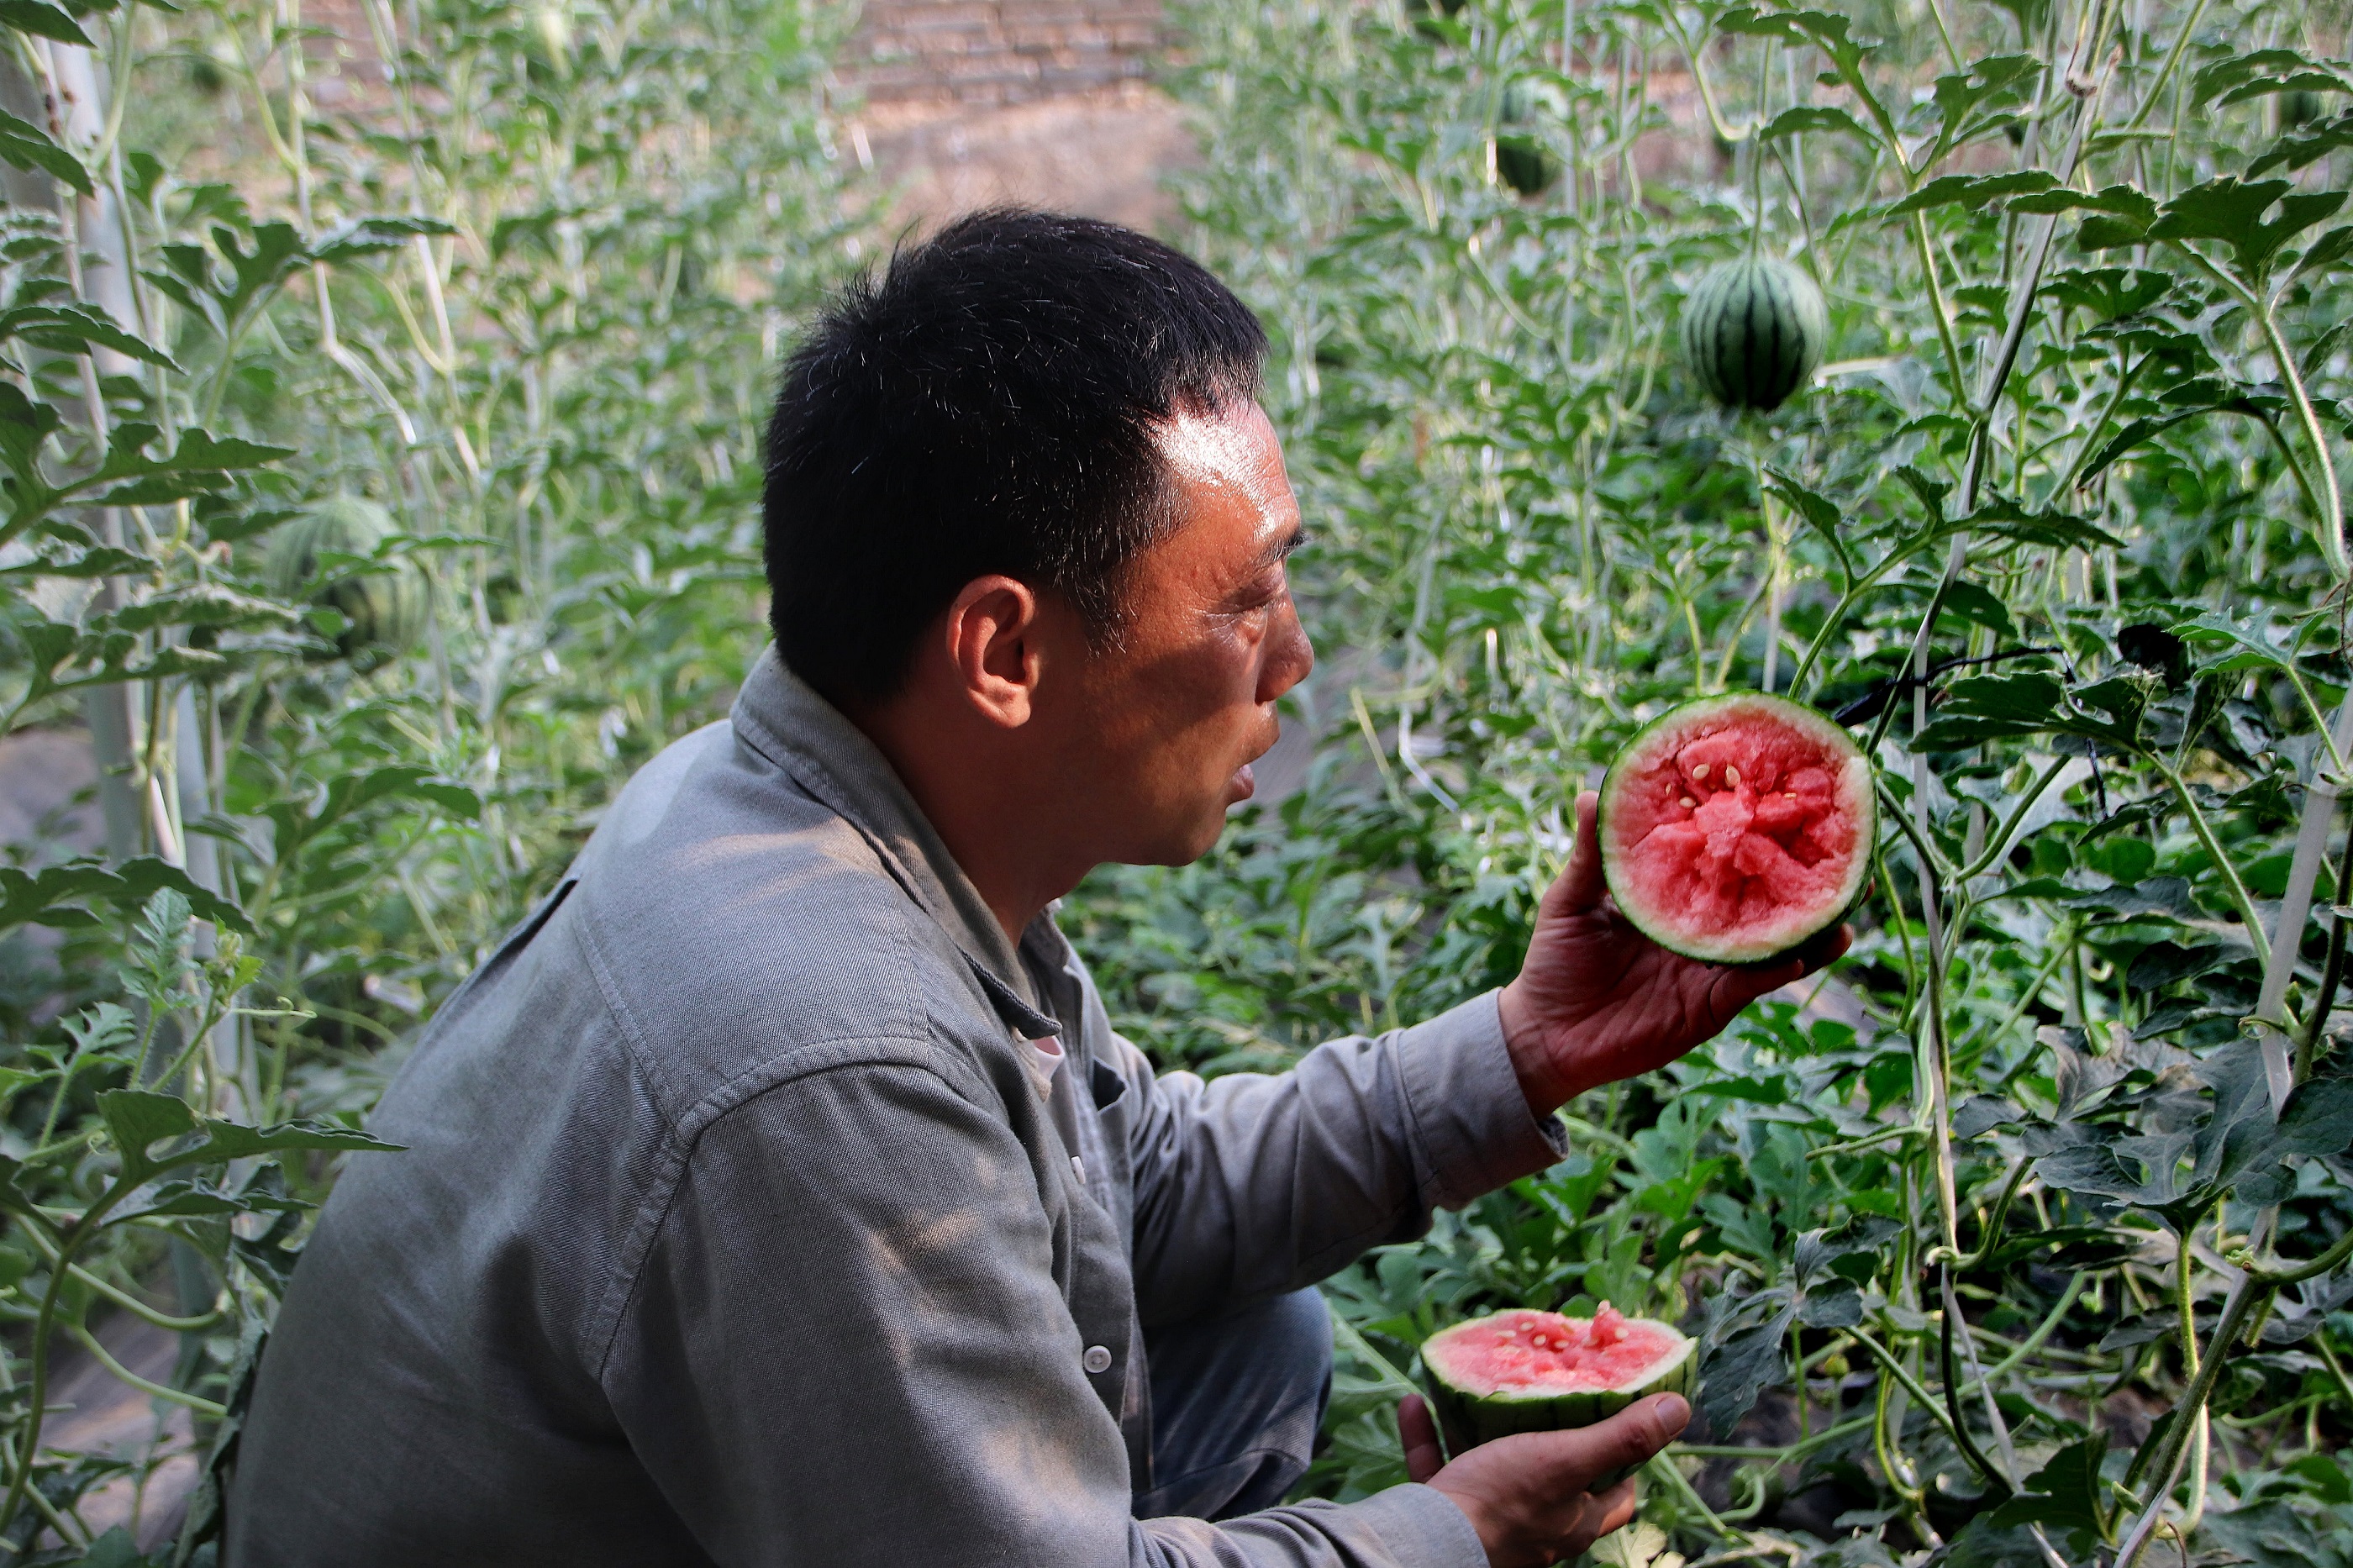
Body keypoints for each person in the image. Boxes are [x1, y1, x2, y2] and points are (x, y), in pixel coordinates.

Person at [226, 208, 1844, 1568]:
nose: (1295, 656)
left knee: (1252, 1338)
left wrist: (1527, 1045)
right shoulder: (820, 1047)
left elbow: (1128, 1184)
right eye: (1246, 597)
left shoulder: (824, 802)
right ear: (1002, 650)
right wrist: (1437, 1538)